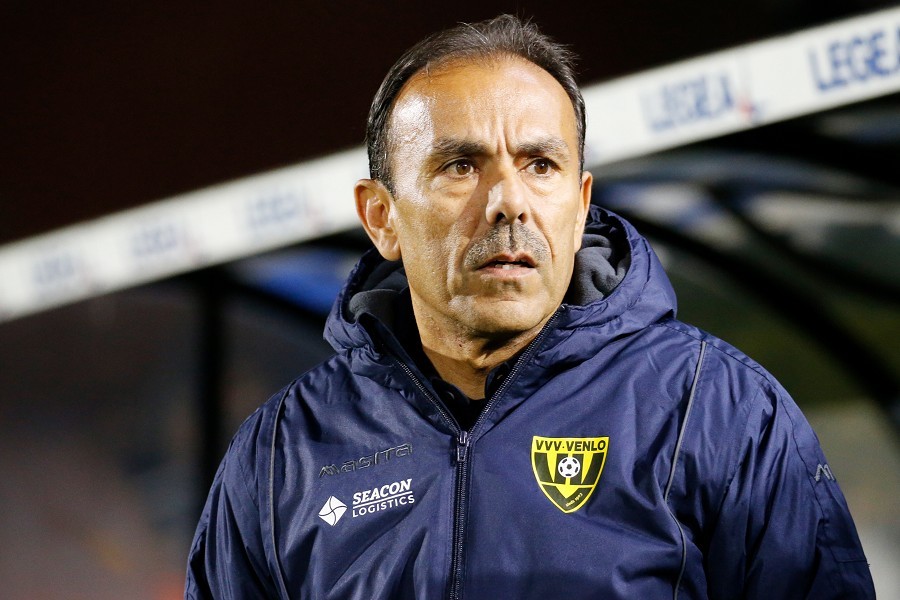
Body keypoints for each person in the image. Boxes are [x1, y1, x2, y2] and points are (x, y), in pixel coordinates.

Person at [186, 15, 876, 599]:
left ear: (580, 206)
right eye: (460, 166)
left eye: (540, 165)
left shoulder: (717, 408)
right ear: (381, 218)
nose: (508, 201)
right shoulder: (280, 455)